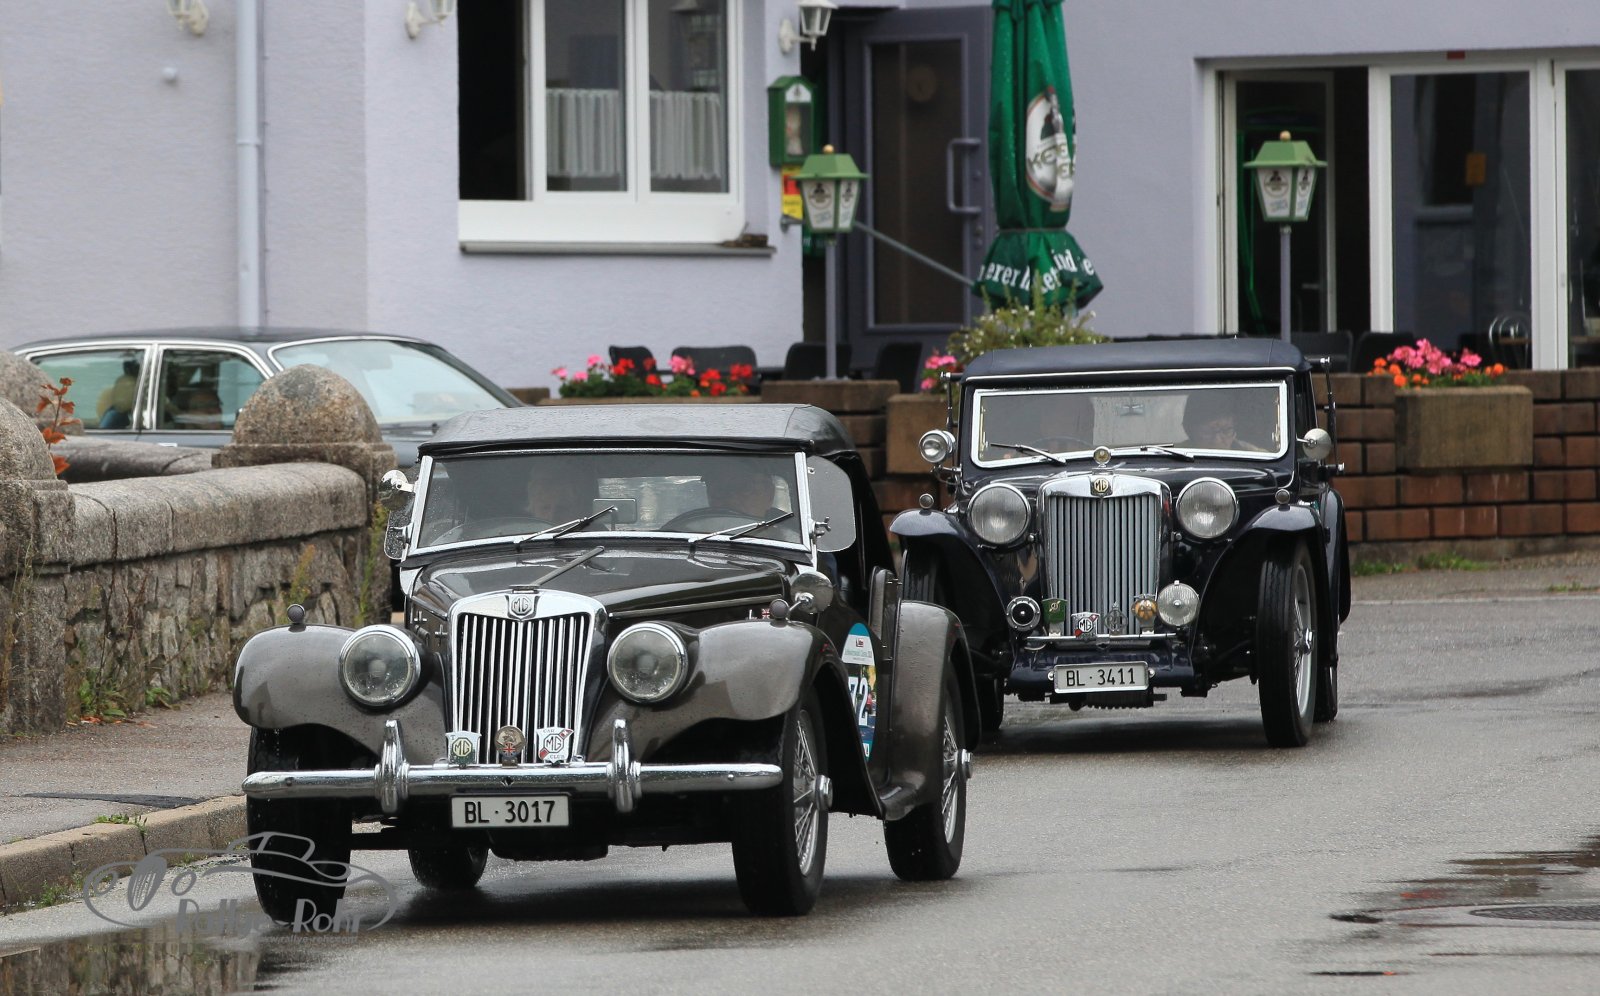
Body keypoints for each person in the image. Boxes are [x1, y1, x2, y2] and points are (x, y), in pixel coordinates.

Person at [1181, 392, 1261, 451]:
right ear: (1190, 430)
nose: (1217, 441)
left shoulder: (1256, 456)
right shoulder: (1177, 454)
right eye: (1207, 432)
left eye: (1226, 431)